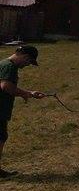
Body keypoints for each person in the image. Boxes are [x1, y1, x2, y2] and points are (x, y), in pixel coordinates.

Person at [0, 46, 45, 178]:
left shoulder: (5, 64)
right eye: (29, 61)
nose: (27, 65)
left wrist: (29, 94)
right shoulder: (9, 66)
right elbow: (6, 86)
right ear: (24, 56)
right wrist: (26, 93)